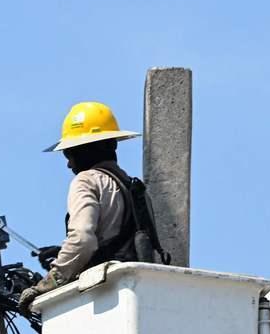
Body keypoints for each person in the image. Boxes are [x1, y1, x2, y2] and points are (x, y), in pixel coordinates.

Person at [18, 101, 164, 312]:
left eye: (69, 154)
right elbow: (117, 242)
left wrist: (48, 284)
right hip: (135, 290)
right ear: (112, 144)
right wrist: (65, 254)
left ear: (84, 149)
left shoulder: (86, 180)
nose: (69, 164)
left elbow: (82, 240)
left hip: (104, 296)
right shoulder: (133, 187)